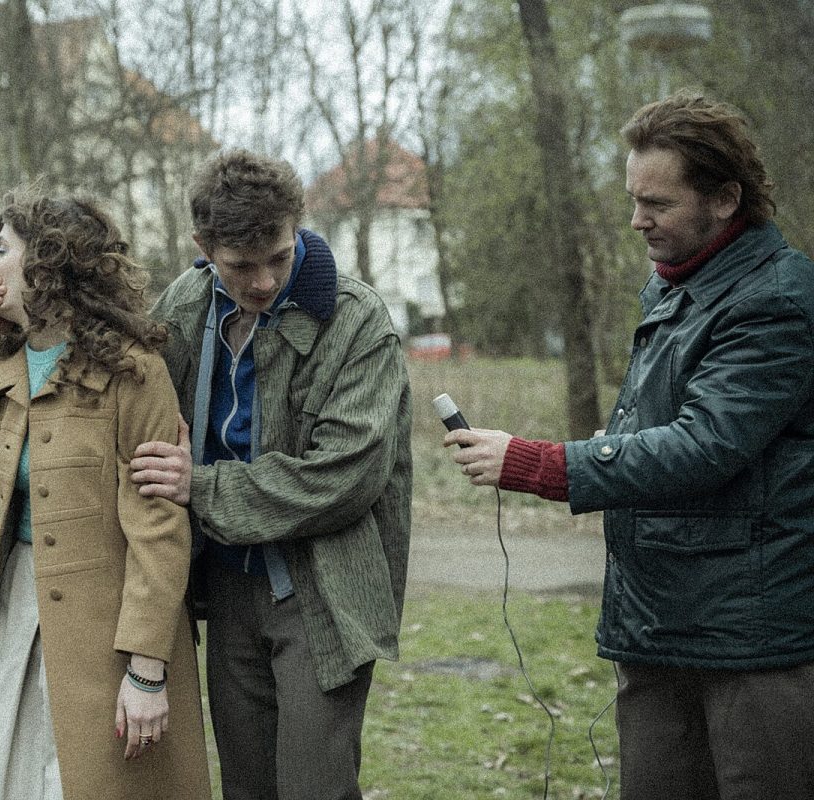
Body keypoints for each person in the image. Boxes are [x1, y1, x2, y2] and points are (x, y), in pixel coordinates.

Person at [444, 91, 814, 799]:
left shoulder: (776, 299)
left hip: (750, 641)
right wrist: (619, 445)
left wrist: (538, 462)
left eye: (657, 203)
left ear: (725, 199)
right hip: (662, 625)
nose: (636, 220)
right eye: (633, 199)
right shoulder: (676, 287)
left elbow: (705, 445)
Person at [130, 149, 414, 800]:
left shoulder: (356, 320)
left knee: (315, 786)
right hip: (227, 585)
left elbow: (345, 477)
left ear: (297, 227)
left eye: (279, 258)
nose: (262, 282)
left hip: (323, 589)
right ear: (204, 248)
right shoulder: (184, 306)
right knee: (246, 786)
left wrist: (201, 487)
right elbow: (129, 398)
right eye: (240, 265)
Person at [0, 191, 211, 800]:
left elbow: (158, 528)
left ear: (47, 263)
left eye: (2, 251)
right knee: (12, 774)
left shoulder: (134, 371)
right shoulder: (1, 371)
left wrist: (147, 670)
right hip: (16, 612)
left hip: (112, 628)